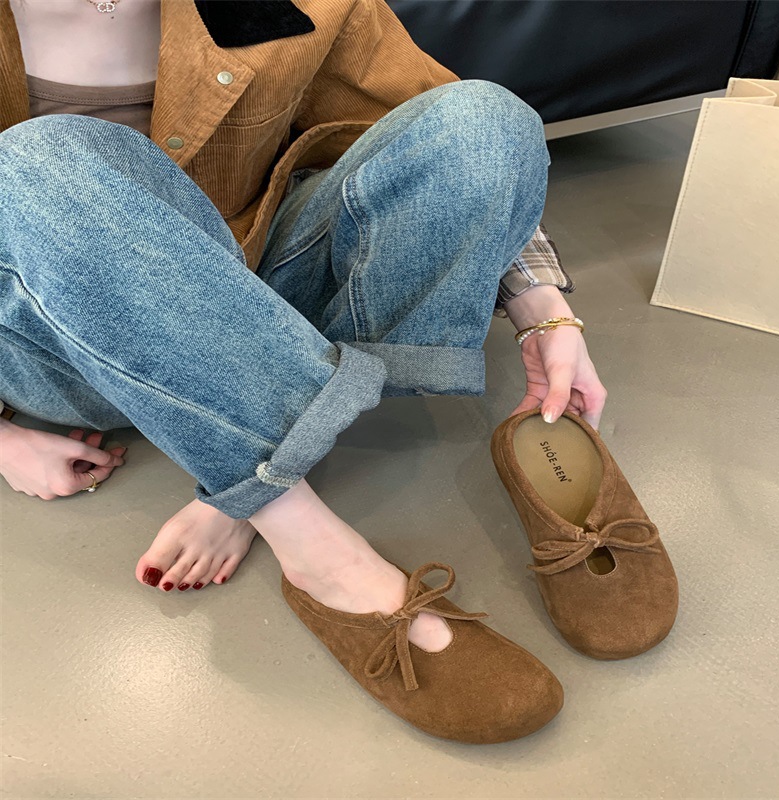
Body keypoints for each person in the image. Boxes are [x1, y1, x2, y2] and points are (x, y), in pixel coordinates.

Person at [0, 0, 606, 740]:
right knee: (41, 158)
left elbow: (428, 113)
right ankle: (301, 533)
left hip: (251, 280)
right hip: (51, 342)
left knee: (486, 117)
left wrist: (541, 308)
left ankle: (259, 454)